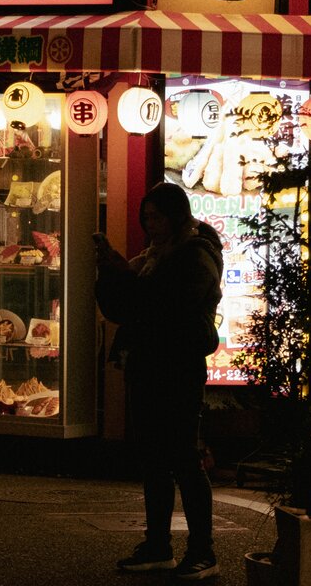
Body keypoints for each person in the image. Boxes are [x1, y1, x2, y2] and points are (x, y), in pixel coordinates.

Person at [98, 181, 225, 581]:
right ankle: (158, 545)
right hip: (149, 363)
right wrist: (113, 269)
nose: (152, 224)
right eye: (147, 217)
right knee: (153, 458)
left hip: (178, 366)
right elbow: (125, 306)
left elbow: (166, 305)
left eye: (159, 216)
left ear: (177, 215)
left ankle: (203, 550)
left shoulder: (196, 254)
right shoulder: (151, 258)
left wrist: (126, 276)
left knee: (184, 457)